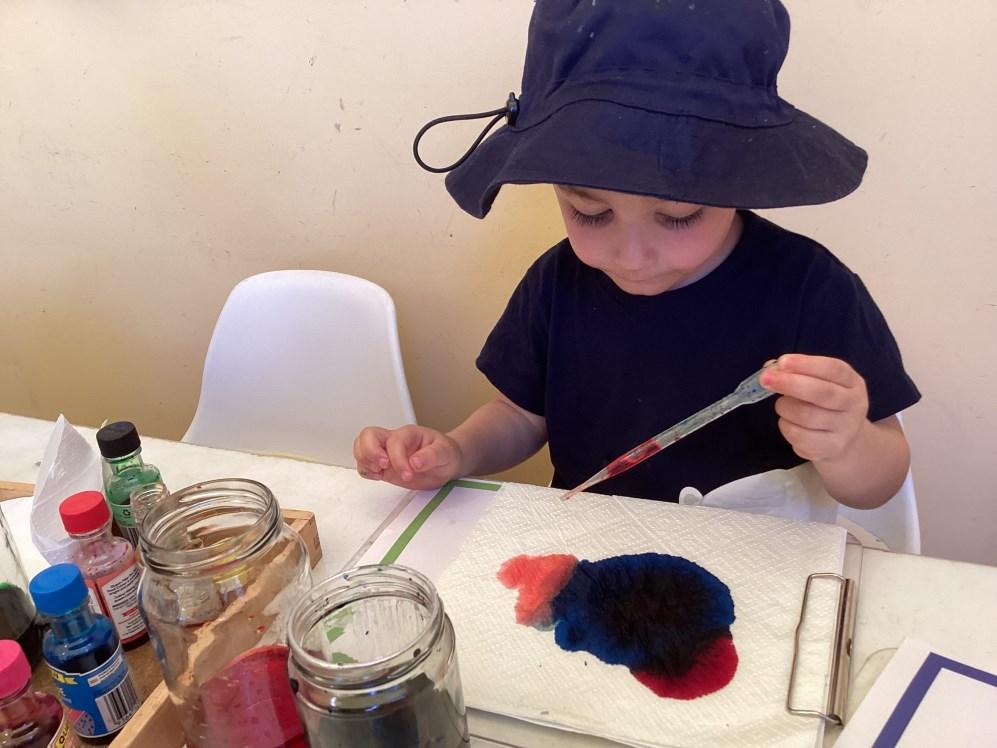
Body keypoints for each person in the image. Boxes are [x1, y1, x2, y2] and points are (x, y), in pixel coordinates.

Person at [353, 0, 920, 512]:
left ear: (739, 180)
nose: (631, 255)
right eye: (590, 213)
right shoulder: (557, 283)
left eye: (678, 217)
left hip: (761, 569)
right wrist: (457, 450)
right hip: (592, 560)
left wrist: (847, 444)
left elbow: (879, 484)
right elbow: (519, 416)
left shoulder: (812, 290)